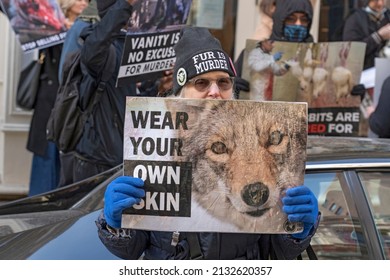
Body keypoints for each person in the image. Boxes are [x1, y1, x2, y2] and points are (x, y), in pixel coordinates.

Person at [96, 26, 320, 260]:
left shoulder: (258, 143)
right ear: (181, 90)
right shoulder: (153, 150)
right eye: (201, 83)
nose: (215, 92)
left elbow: (276, 252)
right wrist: (115, 224)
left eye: (223, 82)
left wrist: (297, 230)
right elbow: (130, 251)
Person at [58, 0, 172, 186]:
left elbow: (130, 101)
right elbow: (94, 48)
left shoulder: (135, 46)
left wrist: (158, 86)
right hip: (95, 160)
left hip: (124, 157)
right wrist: (125, 5)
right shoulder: (99, 46)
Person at [26, 0, 88, 196]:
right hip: (49, 103)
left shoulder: (87, 29)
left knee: (65, 161)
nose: (84, 3)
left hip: (71, 106)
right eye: (78, 0)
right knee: (46, 159)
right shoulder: (49, 27)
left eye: (86, 0)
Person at [342, 0, 390, 70]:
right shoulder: (354, 19)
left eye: (383, 0)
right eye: (375, 0)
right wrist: (378, 36)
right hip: (364, 71)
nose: (380, 3)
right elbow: (351, 51)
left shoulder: (387, 16)